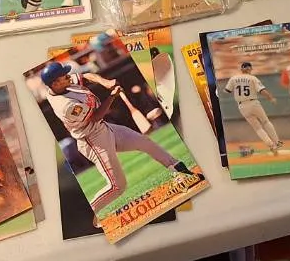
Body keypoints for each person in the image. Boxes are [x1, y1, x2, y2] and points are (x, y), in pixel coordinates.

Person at [40, 60, 199, 215]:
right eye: (64, 75)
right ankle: (89, 213)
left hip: (104, 128)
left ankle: (179, 169)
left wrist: (106, 82)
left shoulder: (60, 86)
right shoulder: (65, 106)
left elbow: (86, 76)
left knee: (144, 142)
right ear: (55, 83)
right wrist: (112, 96)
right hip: (93, 140)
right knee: (117, 187)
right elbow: (95, 117)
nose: (68, 76)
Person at [223, 60, 282, 154]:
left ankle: (271, 145)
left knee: (258, 128)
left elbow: (226, 91)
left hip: (242, 106)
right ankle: (277, 142)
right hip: (253, 103)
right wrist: (271, 98)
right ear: (250, 69)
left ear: (241, 69)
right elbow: (262, 91)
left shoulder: (233, 78)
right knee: (265, 122)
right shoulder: (252, 78)